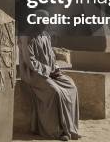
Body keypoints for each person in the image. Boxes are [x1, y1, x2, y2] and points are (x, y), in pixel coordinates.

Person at [18, 9, 80, 141]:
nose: (46, 24)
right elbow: (30, 61)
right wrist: (48, 70)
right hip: (33, 73)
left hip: (48, 72)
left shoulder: (45, 35)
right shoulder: (27, 36)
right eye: (43, 21)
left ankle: (70, 128)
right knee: (55, 92)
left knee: (71, 85)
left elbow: (50, 55)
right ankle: (56, 131)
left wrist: (55, 68)